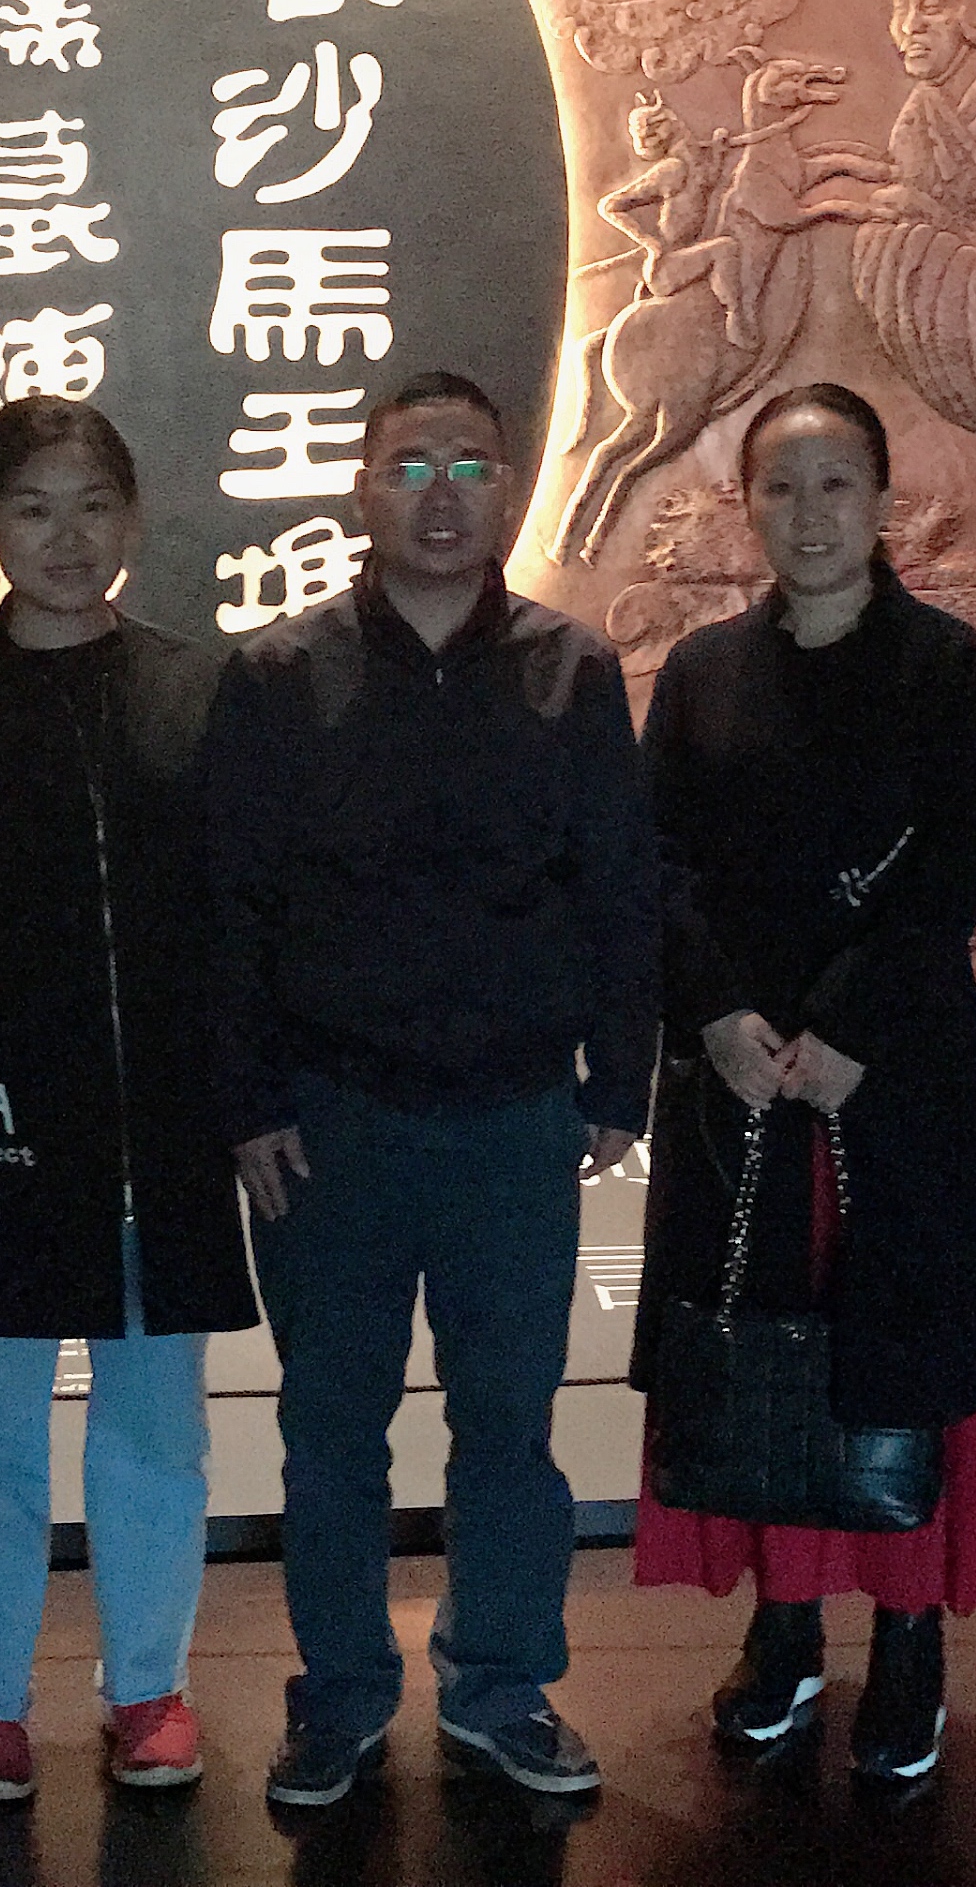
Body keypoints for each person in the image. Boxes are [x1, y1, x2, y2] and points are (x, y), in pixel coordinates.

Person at [202, 371, 660, 1807]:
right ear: (363, 487)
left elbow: (621, 888)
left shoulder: (571, 670)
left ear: (509, 487)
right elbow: (228, 909)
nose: (443, 493)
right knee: (330, 1431)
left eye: (470, 464)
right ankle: (338, 1697)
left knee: (508, 1427)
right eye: (411, 466)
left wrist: (621, 1077)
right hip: (327, 1121)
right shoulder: (281, 675)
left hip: (515, 1116)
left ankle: (501, 1684)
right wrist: (248, 1100)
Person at [0, 396, 258, 1805]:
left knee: (157, 1436)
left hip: (163, 1137)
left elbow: (245, 922)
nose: (67, 538)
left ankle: (148, 1689)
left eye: (92, 505)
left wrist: (252, 1102)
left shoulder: (201, 694)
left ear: (132, 516)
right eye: (32, 508)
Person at [631, 382, 976, 1791]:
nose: (809, 515)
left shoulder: (945, 665)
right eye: (781, 487)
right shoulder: (702, 673)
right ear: (746, 504)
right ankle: (785, 1626)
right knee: (759, 1350)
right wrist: (719, 1013)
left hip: (893, 1073)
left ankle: (911, 1640)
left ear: (883, 501)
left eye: (837, 485)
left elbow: (955, 861)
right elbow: (657, 864)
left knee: (893, 1349)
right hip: (738, 1079)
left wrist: (853, 1028)